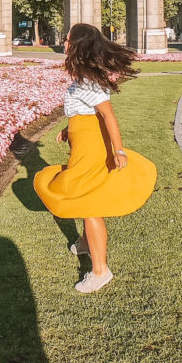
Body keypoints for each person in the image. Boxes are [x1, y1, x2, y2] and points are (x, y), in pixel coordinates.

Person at [33, 23, 157, 293]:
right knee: (83, 194)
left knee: (88, 203)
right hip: (83, 145)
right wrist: (68, 130)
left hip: (92, 148)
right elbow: (85, 114)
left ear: (77, 45)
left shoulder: (88, 81)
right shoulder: (82, 78)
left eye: (67, 40)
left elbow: (107, 115)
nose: (64, 43)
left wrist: (119, 150)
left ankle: (100, 271)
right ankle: (88, 242)